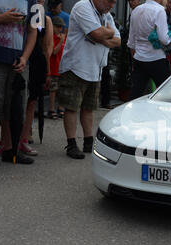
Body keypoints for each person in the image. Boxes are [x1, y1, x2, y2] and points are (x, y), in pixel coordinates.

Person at [0, 0, 38, 169]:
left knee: (15, 105)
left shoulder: (34, 2)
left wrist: (25, 57)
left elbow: (33, 31)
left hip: (18, 60)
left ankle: (11, 149)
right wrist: (2, 18)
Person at [58, 0, 120, 159]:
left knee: (89, 108)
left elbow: (117, 41)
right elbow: (97, 34)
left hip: (95, 69)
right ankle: (71, 144)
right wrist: (106, 33)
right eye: (110, 1)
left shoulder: (105, 15)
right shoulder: (82, 6)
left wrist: (104, 34)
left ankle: (88, 142)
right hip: (76, 66)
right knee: (71, 107)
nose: (112, 5)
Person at [19, 0, 53, 156]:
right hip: (18, 55)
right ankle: (6, 140)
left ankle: (24, 139)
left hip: (35, 61)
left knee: (31, 101)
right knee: (13, 100)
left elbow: (46, 46)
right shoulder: (24, 6)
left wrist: (48, 71)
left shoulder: (42, 15)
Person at [127, 0, 171, 100]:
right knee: (165, 94)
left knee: (135, 94)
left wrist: (134, 58)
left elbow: (131, 40)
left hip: (139, 58)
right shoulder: (160, 10)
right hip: (157, 58)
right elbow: (163, 38)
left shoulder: (136, 11)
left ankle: (130, 114)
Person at [48, 16, 67, 119]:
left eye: (61, 27)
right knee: (53, 90)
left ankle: (60, 108)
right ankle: (51, 109)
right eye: (58, 27)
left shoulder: (62, 38)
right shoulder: (52, 38)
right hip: (54, 68)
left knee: (62, 90)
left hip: (61, 68)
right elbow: (54, 51)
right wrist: (60, 41)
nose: (60, 29)